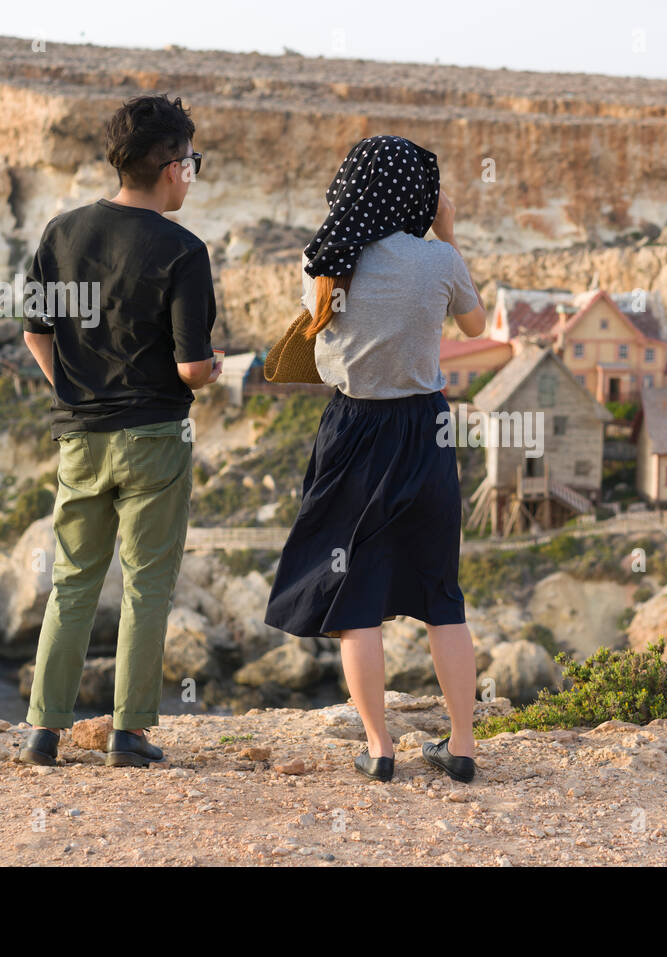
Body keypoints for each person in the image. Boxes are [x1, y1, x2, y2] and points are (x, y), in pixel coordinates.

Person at [264, 134, 487, 783]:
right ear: (419, 193)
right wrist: (446, 231)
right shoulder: (439, 261)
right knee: (443, 594)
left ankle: (379, 747)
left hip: (354, 430)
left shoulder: (325, 260)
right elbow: (475, 330)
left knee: (355, 597)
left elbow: (320, 328)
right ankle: (464, 746)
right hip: (426, 429)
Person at [17, 93, 221, 768]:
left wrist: (74, 393)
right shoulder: (184, 251)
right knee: (146, 583)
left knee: (73, 580)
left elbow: (34, 331)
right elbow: (192, 368)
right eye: (193, 160)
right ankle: (128, 733)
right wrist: (216, 370)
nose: (192, 172)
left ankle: (43, 730)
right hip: (156, 436)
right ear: (170, 166)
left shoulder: (61, 232)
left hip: (80, 435)